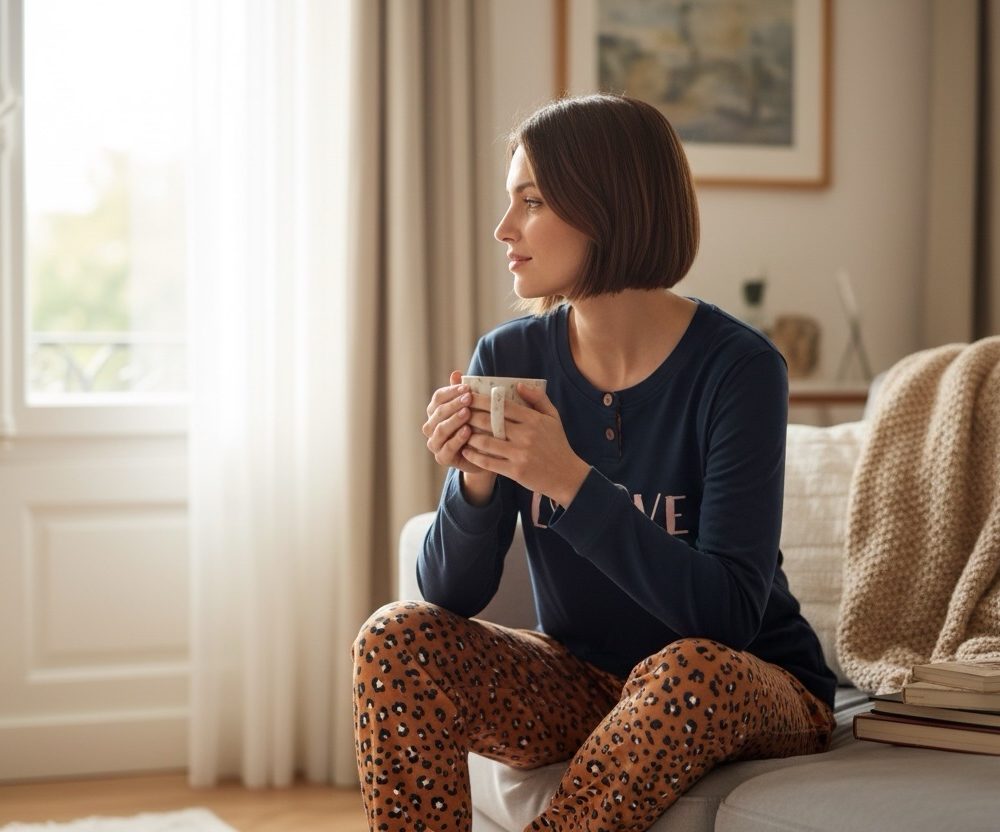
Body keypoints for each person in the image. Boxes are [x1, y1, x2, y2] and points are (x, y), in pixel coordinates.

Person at [352, 93, 838, 832]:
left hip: (744, 687)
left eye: (531, 201)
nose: (503, 229)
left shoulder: (737, 368)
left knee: (687, 672)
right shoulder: (510, 357)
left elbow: (726, 619)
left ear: (605, 207)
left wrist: (567, 481)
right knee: (396, 638)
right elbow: (450, 592)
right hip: (583, 679)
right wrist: (475, 484)